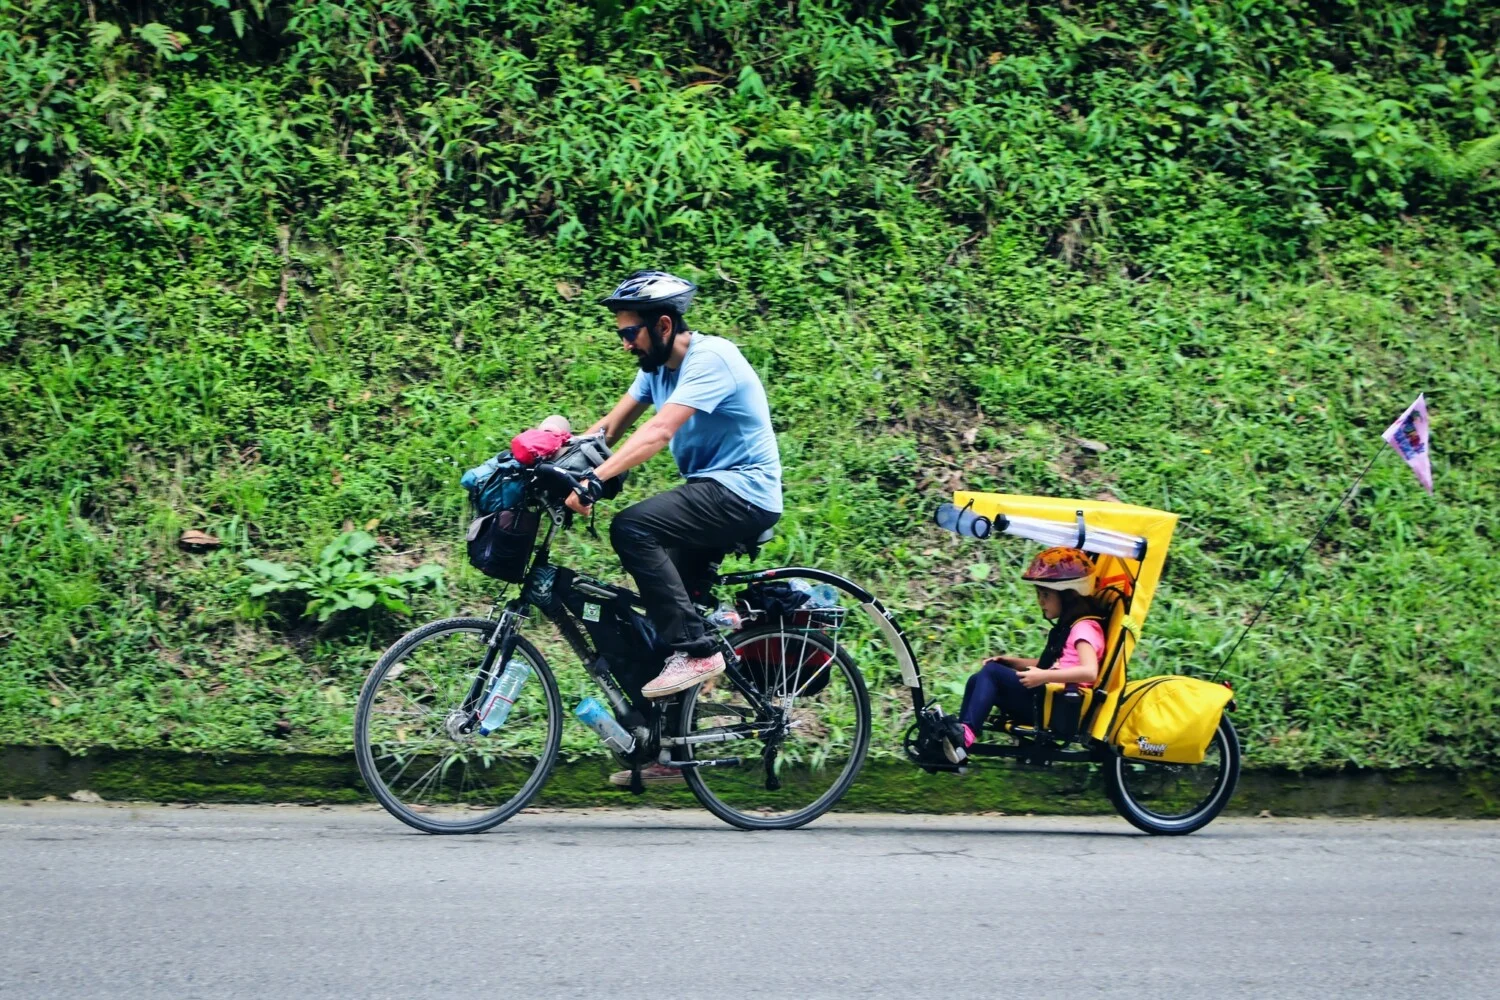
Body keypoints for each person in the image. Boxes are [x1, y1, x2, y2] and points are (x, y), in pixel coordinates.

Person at [564, 271, 782, 786]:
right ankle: (669, 751)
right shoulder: (654, 368)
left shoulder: (712, 359)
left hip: (744, 493)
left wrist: (595, 481)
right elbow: (609, 428)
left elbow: (659, 432)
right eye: (619, 333)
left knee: (634, 527)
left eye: (629, 333)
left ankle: (703, 651)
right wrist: (555, 461)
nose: (624, 343)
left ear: (663, 325)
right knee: (668, 614)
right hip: (714, 493)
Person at [940, 547, 1107, 764]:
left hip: (1059, 704)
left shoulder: (1083, 629)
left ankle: (964, 737)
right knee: (977, 679)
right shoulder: (1071, 627)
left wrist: (1043, 677)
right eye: (1039, 595)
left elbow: (1089, 671)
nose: (1041, 602)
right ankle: (961, 741)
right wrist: (1011, 662)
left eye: (1045, 595)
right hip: (1049, 697)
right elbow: (1052, 664)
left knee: (991, 674)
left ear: (1067, 594)